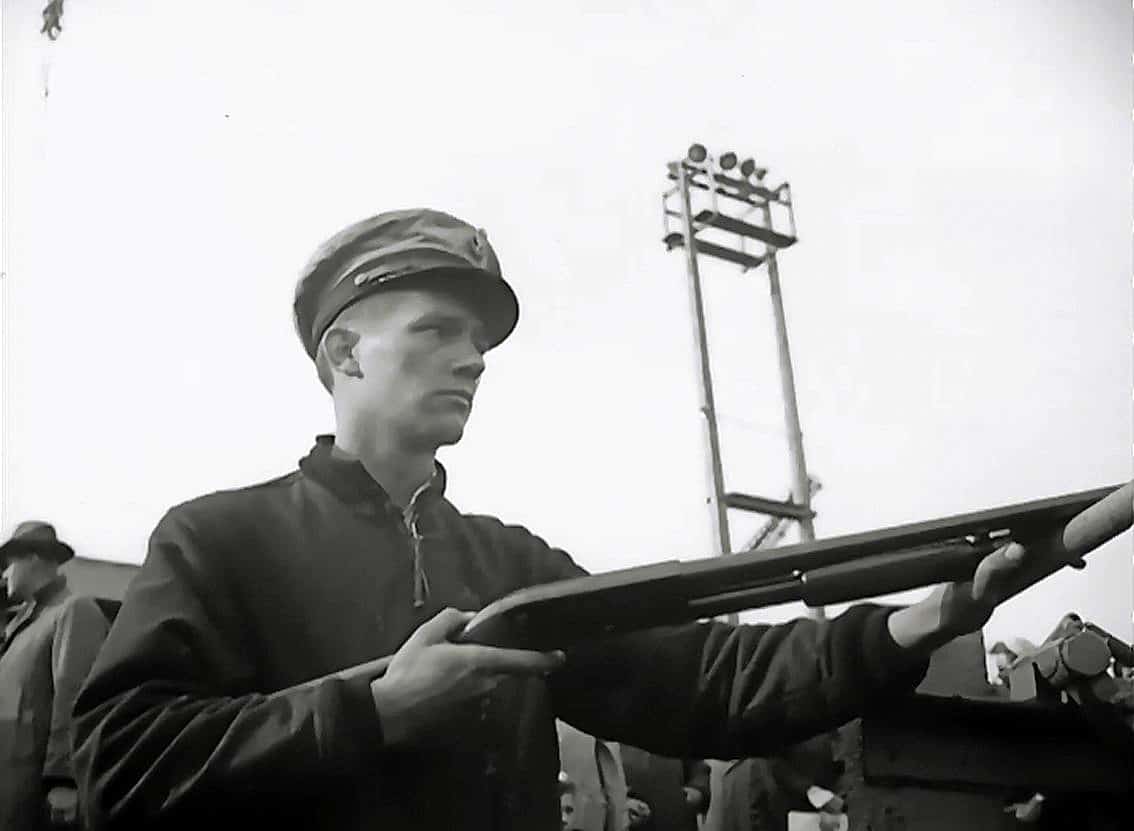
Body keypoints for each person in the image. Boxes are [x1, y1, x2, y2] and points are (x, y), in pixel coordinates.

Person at [72, 208, 1048, 831]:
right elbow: (122, 764)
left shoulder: (512, 564)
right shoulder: (218, 539)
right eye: (438, 331)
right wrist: (371, 710)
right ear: (345, 353)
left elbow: (705, 679)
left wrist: (918, 623)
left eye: (481, 341)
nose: (474, 358)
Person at [1, 521, 110, 830]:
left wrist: (65, 779)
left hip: (32, 798)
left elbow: (76, 697)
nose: (4, 573)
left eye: (9, 563)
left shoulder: (74, 611)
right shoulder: (23, 627)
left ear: (33, 558)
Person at [619, 747, 709, 831]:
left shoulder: (676, 735)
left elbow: (698, 768)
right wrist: (623, 805)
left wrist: (698, 791)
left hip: (679, 821)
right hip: (634, 822)